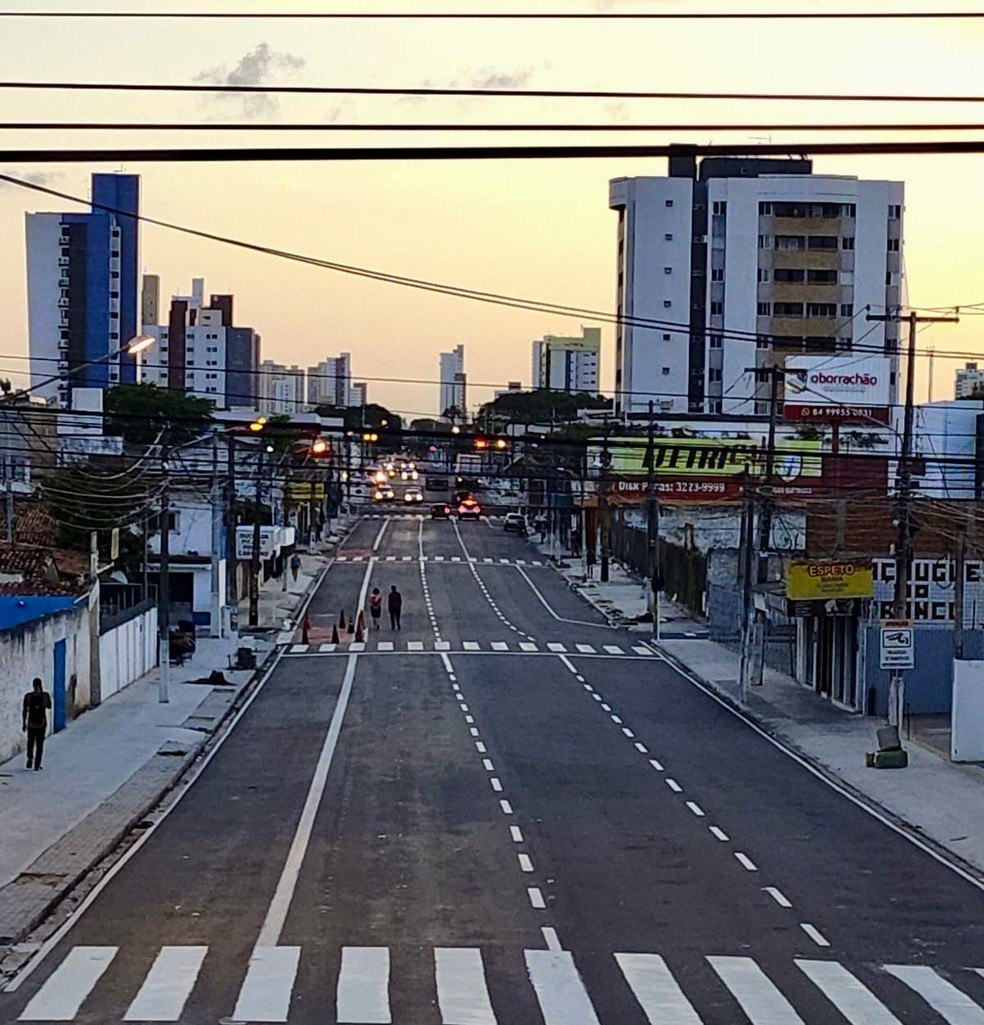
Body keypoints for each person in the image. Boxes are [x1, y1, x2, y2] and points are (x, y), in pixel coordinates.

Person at [22, 678, 51, 772]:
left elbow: (49, 706)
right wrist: (24, 723)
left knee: (38, 744)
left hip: (40, 724)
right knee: (32, 743)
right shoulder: (30, 697)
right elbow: (25, 710)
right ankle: (31, 759)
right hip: (33, 723)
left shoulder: (43, 696)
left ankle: (36, 763)